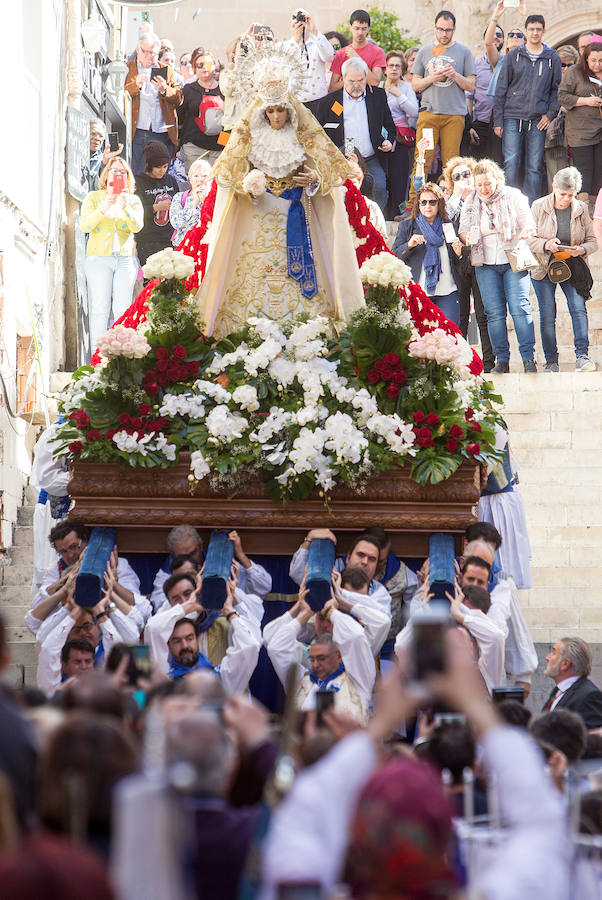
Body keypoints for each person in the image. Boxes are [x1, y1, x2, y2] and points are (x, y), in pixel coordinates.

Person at [260, 632, 569, 900]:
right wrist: (477, 706)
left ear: (357, 833)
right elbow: (542, 825)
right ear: (447, 835)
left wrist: (378, 726)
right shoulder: (504, 890)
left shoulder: (300, 885)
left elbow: (300, 817)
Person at [197, 40, 365, 337]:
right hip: (256, 217)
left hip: (296, 214)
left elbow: (329, 171)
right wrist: (246, 184)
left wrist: (314, 180)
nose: (276, 117)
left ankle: (308, 333)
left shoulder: (304, 134)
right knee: (251, 277)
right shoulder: (248, 135)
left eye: (281, 111)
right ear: (262, 112)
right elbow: (227, 174)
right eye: (271, 111)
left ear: (289, 111)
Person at [459, 158, 537, 373]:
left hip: (512, 255)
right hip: (484, 262)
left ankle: (528, 357)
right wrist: (467, 238)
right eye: (480, 184)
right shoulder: (471, 202)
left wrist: (526, 233)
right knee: (494, 313)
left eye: (488, 184)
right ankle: (501, 359)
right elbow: (463, 230)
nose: (484, 189)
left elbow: (528, 222)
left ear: (497, 180)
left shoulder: (513, 195)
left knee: (520, 308)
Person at [263, 586, 384, 723]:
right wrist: (305, 613)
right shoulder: (303, 679)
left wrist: (332, 611)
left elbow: (356, 636)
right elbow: (274, 646)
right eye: (312, 659)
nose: (315, 665)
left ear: (338, 656)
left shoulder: (358, 674)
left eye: (321, 658)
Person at [528, 166, 597, 372]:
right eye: (563, 194)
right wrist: (545, 244)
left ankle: (582, 355)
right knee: (548, 313)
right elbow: (528, 239)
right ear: (554, 188)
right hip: (544, 265)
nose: (566, 199)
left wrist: (581, 249)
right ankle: (551, 361)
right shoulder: (538, 206)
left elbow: (593, 241)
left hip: (573, 264)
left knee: (578, 308)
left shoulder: (581, 208)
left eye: (571, 195)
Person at [492, 15, 562, 205]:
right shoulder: (513, 56)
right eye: (531, 29)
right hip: (512, 116)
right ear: (526, 31)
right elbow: (501, 89)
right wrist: (498, 121)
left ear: (543, 31)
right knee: (511, 164)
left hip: (537, 119)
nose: (535, 33)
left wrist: (550, 114)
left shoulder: (552, 57)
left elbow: (557, 90)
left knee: (534, 167)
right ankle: (508, 206)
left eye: (538, 29)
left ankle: (532, 209)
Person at [408, 10, 476, 205]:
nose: (444, 34)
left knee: (452, 164)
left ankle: (451, 204)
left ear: (454, 29)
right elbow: (415, 85)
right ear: (435, 28)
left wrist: (455, 75)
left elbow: (471, 85)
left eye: (448, 30)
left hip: (454, 116)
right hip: (429, 114)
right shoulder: (425, 51)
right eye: (440, 29)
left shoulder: (464, 52)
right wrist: (432, 78)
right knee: (422, 160)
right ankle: (414, 204)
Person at [79, 156, 143, 352]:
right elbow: (86, 225)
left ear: (128, 177)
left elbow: (138, 226)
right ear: (106, 175)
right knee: (99, 308)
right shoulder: (94, 197)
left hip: (124, 259)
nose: (118, 175)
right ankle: (98, 359)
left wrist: (124, 208)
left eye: (122, 172)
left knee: (123, 308)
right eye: (114, 171)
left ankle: (122, 355)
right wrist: (106, 205)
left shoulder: (132, 200)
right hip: (99, 259)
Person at [316, 57, 396, 211]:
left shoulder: (378, 96)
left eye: (360, 80)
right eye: (352, 81)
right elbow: (319, 132)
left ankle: (374, 224)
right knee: (341, 192)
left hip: (370, 157)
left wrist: (388, 141)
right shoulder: (329, 102)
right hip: (341, 158)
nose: (357, 85)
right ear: (343, 78)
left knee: (379, 188)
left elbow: (390, 126)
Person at [440, 156, 494, 368]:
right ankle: (460, 363)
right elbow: (445, 219)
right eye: (457, 176)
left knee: (482, 314)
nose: (463, 179)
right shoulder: (450, 201)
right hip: (457, 262)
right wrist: (455, 194)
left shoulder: (483, 196)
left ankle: (489, 361)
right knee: (461, 316)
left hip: (481, 260)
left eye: (467, 174)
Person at [392, 182, 463, 326]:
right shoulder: (407, 226)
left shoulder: (449, 226)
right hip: (419, 293)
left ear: (440, 204)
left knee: (450, 336)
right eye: (423, 202)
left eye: (432, 202)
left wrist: (459, 253)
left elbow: (459, 262)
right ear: (418, 204)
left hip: (448, 291)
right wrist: (409, 245)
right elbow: (394, 256)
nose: (427, 206)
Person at [289, 529, 393, 620]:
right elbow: (297, 573)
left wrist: (339, 593)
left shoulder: (380, 592)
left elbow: (382, 618)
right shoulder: (329, 576)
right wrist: (309, 539)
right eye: (360, 555)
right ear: (347, 558)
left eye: (372, 559)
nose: (365, 562)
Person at [125, 33, 182, 175]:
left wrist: (164, 90)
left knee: (160, 174)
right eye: (147, 52)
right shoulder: (128, 68)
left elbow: (179, 97)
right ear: (138, 50)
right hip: (137, 131)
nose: (151, 57)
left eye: (155, 53)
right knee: (137, 173)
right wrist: (135, 85)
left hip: (160, 132)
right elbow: (117, 94)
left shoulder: (166, 70)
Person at [557, 42, 602, 207]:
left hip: (600, 131)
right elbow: (562, 96)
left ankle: (597, 212)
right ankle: (583, 211)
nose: (597, 64)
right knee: (584, 173)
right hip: (581, 132)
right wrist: (586, 101)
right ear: (586, 59)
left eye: (601, 61)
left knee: (599, 173)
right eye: (593, 60)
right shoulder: (574, 72)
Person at [383, 50, 418, 217]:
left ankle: (397, 215)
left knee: (400, 179)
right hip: (381, 138)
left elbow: (414, 111)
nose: (394, 69)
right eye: (391, 65)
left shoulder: (407, 88)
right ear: (385, 69)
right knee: (383, 179)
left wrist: (399, 95)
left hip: (401, 138)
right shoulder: (377, 88)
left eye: (398, 66)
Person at [178, 48, 224, 173]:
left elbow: (230, 120)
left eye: (208, 64)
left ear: (214, 66)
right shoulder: (188, 90)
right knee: (197, 184)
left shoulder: (224, 89)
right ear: (194, 69)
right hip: (193, 148)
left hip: (218, 149)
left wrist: (224, 145)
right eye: (199, 65)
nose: (204, 67)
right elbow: (180, 117)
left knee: (216, 187)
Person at [134, 141, 180, 267]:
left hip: (169, 239)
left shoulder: (170, 180)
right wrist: (156, 208)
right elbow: (134, 213)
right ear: (149, 165)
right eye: (158, 167)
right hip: (147, 240)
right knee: (151, 281)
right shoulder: (138, 182)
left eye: (165, 166)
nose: (162, 171)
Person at [542, 637, 602, 729]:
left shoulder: (589, 696)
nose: (547, 657)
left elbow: (591, 738)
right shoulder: (558, 691)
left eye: (554, 653)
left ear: (565, 664)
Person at [544, 45, 578, 193]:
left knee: (575, 183)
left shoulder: (580, 85)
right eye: (562, 64)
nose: (565, 68)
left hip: (576, 140)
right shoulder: (546, 83)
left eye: (569, 65)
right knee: (556, 183)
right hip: (553, 141)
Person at [328, 9, 386, 91]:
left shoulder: (377, 52)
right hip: (345, 100)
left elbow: (375, 82)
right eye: (356, 28)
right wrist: (351, 79)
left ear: (368, 29)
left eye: (364, 29)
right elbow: (332, 88)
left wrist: (358, 59)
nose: (360, 32)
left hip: (368, 99)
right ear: (350, 28)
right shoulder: (341, 53)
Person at [288, 9, 334, 103]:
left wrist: (315, 31)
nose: (298, 22)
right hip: (295, 102)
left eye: (303, 18)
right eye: (294, 18)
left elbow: (328, 56)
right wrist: (296, 41)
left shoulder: (317, 43)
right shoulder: (285, 46)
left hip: (318, 101)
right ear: (290, 24)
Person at [169, 157, 212, 246]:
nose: (200, 179)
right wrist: (193, 204)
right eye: (196, 176)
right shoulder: (179, 197)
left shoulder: (215, 198)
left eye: (204, 176)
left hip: (206, 246)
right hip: (184, 247)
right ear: (190, 179)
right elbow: (176, 223)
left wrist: (206, 203)